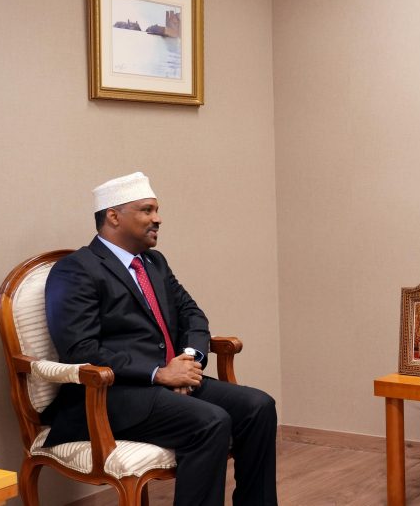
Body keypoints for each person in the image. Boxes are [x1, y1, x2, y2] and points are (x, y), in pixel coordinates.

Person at [42, 172, 277, 506]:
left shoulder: (154, 262)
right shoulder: (75, 269)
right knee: (211, 422)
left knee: (258, 407)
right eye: (147, 210)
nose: (158, 219)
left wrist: (188, 361)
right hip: (111, 396)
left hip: (167, 382)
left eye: (156, 210)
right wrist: (159, 373)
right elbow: (80, 349)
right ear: (114, 216)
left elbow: (192, 314)